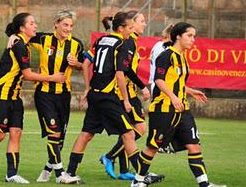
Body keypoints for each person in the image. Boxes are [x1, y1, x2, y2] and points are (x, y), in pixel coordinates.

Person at [0, 12, 66, 184]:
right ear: (22, 28)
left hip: (14, 98)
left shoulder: (25, 43)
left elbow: (49, 36)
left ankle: (11, 174)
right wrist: (53, 78)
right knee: (0, 135)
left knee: (16, 133)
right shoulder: (19, 45)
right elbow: (28, 75)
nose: (35, 25)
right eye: (31, 23)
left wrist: (13, 34)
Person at [130, 22, 226, 187]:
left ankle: (205, 184)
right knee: (152, 148)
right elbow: (159, 80)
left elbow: (175, 81)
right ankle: (138, 181)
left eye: (194, 36)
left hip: (182, 109)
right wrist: (173, 97)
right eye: (190, 36)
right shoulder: (165, 55)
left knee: (194, 145)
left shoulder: (182, 57)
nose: (193, 40)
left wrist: (189, 91)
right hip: (163, 109)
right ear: (178, 36)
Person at [64, 11, 147, 185]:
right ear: (120, 28)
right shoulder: (122, 44)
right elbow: (120, 74)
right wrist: (125, 100)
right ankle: (140, 177)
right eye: (130, 27)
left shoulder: (101, 40)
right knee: (129, 133)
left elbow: (86, 64)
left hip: (95, 94)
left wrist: (87, 88)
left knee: (86, 134)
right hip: (108, 97)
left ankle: (69, 173)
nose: (131, 31)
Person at [95, 11, 164, 184]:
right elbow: (124, 72)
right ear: (131, 23)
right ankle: (111, 157)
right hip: (122, 93)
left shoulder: (130, 41)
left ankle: (124, 169)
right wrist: (142, 87)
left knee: (131, 131)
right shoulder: (127, 42)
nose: (144, 24)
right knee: (137, 129)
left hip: (128, 92)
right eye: (141, 21)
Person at [30, 10, 84, 184]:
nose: (68, 29)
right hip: (44, 94)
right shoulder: (42, 39)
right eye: (65, 25)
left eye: (71, 26)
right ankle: (61, 174)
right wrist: (13, 37)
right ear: (56, 24)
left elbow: (86, 65)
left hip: (64, 95)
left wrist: (77, 64)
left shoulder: (76, 44)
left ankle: (47, 170)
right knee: (54, 133)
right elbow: (22, 35)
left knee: (60, 137)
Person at [149, 24, 187, 154]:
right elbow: (161, 75)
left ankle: (165, 143)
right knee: (163, 121)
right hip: (163, 88)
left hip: (163, 86)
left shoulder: (158, 46)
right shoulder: (165, 50)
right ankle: (162, 143)